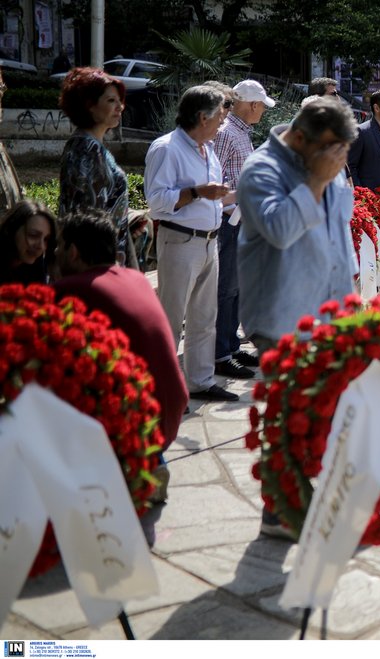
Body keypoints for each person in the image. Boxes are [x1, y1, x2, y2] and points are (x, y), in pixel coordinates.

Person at [237, 96, 358, 539]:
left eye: (343, 151)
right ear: (301, 137)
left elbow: (338, 239)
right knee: (285, 419)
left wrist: (347, 308)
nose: (337, 159)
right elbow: (280, 230)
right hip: (282, 317)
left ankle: (311, 497)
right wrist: (317, 182)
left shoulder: (326, 162)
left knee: (321, 415)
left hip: (329, 313)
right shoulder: (261, 169)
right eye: (330, 149)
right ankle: (278, 512)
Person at [54, 209, 188, 459]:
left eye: (59, 246)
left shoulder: (73, 288)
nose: (54, 253)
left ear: (73, 252)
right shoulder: (135, 279)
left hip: (143, 429)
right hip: (171, 412)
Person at [145, 85, 234, 402]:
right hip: (180, 241)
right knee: (171, 318)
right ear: (202, 117)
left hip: (210, 241)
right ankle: (163, 388)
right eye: (219, 117)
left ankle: (199, 381)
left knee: (204, 317)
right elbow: (156, 202)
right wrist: (197, 192)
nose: (222, 123)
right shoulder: (166, 148)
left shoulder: (206, 149)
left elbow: (212, 198)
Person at [211, 79, 275, 381]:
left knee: (236, 288)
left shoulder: (240, 132)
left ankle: (232, 345)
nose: (262, 111)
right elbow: (217, 179)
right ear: (251, 105)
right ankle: (221, 352)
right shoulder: (227, 133)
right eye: (262, 105)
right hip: (228, 219)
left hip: (241, 219)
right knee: (226, 288)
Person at [58, 67, 135, 266]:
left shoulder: (92, 146)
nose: (120, 107)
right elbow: (88, 215)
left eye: (120, 100)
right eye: (111, 101)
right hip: (95, 262)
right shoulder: (86, 149)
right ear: (89, 105)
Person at [0, 199, 57, 284]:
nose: (41, 246)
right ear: (12, 229)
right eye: (33, 235)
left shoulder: (36, 266)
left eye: (46, 239)